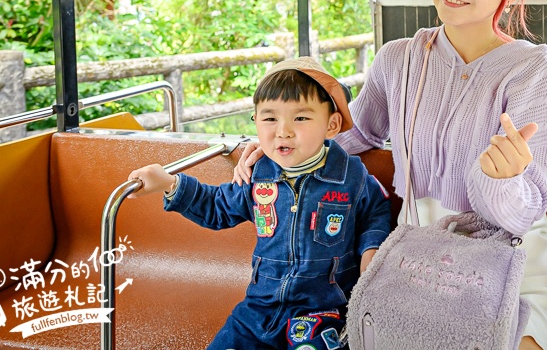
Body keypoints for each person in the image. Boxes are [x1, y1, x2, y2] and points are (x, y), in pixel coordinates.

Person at [235, 0, 547, 350]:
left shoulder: (535, 70)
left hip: (510, 259)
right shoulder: (399, 58)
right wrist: (284, 143)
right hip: (417, 256)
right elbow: (356, 131)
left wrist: (500, 179)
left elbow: (524, 210)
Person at [128, 58, 392, 350]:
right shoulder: (257, 175)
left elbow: (375, 212)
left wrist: (371, 252)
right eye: (269, 119)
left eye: (300, 118)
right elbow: (217, 207)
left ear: (331, 125)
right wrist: (170, 183)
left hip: (324, 311)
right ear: (255, 121)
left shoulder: (350, 176)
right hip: (258, 309)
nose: (283, 131)